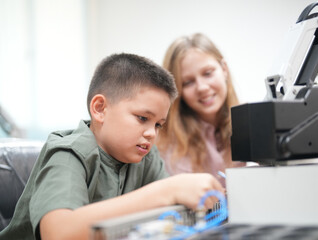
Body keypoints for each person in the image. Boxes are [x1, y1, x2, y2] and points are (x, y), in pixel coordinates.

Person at [0, 53, 224, 240]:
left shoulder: (145, 156)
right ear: (99, 109)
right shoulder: (69, 154)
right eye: (142, 118)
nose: (151, 133)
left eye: (158, 124)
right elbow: (58, 232)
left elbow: (171, 211)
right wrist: (168, 191)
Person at [156, 33, 246, 187]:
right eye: (188, 82)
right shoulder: (166, 147)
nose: (202, 88)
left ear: (224, 69)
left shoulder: (249, 127)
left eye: (208, 73)